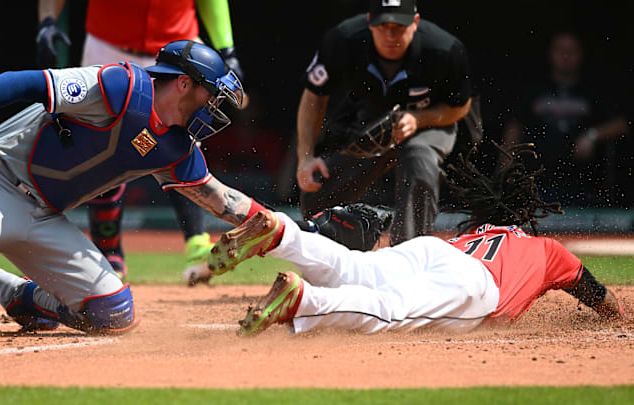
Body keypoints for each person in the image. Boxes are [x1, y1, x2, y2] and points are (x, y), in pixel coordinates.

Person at [0, 40, 262, 334]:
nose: (213, 107)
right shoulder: (121, 86)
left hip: (44, 216)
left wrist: (285, 231)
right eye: (210, 95)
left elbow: (221, 199)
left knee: (113, 315)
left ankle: (22, 297)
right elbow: (24, 82)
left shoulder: (176, 147)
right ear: (184, 84)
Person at [207, 142, 626, 336]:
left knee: (357, 267)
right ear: (523, 215)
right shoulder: (546, 249)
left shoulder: (478, 231)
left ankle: (282, 234)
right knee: (391, 311)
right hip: (475, 286)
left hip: (433, 248)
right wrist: (616, 314)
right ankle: (305, 301)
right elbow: (595, 293)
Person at [37, 0, 245, 284]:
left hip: (177, 49)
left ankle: (197, 244)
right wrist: (47, 20)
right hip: (107, 46)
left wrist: (226, 49)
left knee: (184, 141)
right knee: (101, 143)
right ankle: (108, 250)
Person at [296, 0, 473, 246]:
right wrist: (305, 156)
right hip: (373, 120)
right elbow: (314, 95)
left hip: (431, 121)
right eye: (383, 26)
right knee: (319, 182)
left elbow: (460, 106)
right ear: (370, 21)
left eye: (398, 26)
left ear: (415, 22)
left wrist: (419, 119)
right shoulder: (344, 39)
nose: (390, 35)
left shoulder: (445, 49)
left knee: (419, 160)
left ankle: (409, 256)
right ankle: (326, 253)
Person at [502, 31, 630, 207]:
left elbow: (623, 124)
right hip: (537, 183)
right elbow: (514, 129)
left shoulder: (593, 89)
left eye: (571, 50)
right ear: (550, 53)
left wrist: (592, 135)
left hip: (583, 184)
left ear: (581, 54)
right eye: (560, 50)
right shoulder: (534, 89)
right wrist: (504, 173)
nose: (565, 56)